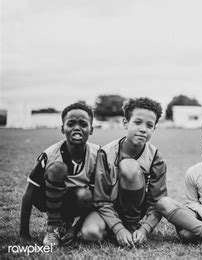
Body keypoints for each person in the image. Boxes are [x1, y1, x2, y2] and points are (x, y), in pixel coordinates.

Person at [85, 97, 167, 247]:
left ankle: (131, 226)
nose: (143, 129)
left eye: (149, 125)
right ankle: (114, 229)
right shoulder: (106, 152)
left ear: (154, 129)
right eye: (137, 122)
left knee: (129, 167)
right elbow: (101, 199)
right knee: (90, 233)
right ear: (125, 123)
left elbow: (157, 202)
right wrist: (118, 229)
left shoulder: (156, 157)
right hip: (108, 209)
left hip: (135, 213)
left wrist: (145, 229)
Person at [19, 102, 99, 247]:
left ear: (91, 130)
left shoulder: (97, 155)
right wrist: (24, 234)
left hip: (73, 201)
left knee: (86, 195)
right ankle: (53, 228)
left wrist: (76, 229)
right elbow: (29, 193)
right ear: (63, 128)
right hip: (45, 199)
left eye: (83, 124)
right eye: (71, 124)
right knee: (58, 168)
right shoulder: (51, 154)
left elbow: (97, 196)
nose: (77, 128)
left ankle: (67, 223)